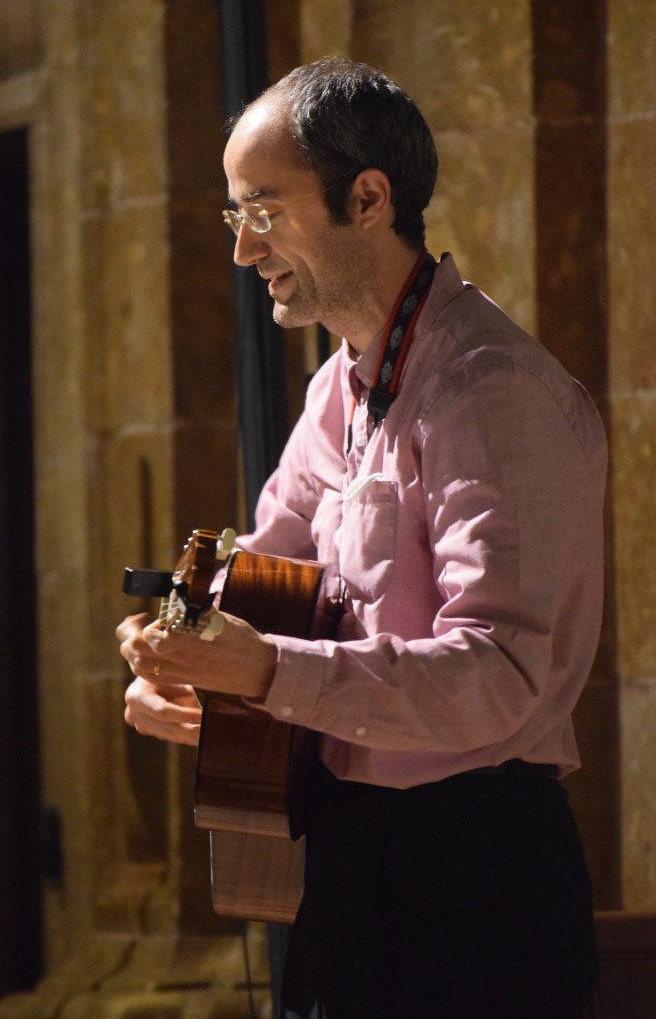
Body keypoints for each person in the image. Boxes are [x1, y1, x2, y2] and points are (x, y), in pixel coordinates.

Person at [118, 57, 606, 1019]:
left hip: (473, 869)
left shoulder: (490, 389)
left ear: (368, 199)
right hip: (349, 855)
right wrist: (180, 657)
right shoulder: (333, 389)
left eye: (264, 211)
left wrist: (264, 672)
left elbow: (501, 674)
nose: (243, 250)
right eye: (234, 216)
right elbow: (263, 575)